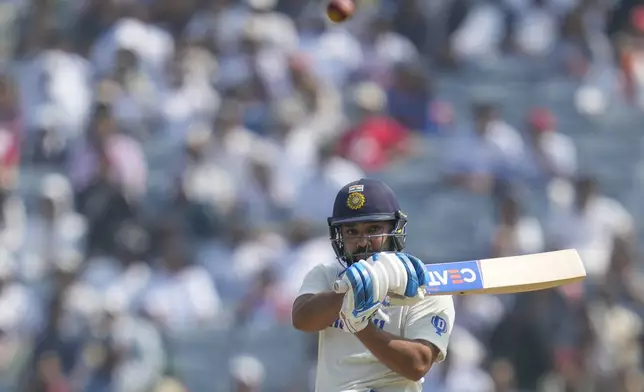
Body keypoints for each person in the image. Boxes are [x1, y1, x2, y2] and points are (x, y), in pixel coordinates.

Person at [291, 178, 455, 392]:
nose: (362, 241)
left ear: (395, 229)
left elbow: (418, 364)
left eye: (374, 229)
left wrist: (359, 324)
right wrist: (351, 294)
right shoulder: (328, 275)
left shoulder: (424, 284)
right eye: (352, 231)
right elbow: (302, 319)